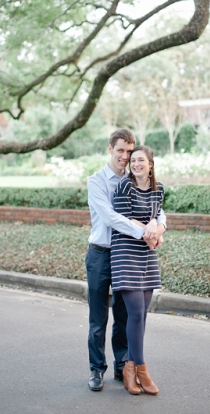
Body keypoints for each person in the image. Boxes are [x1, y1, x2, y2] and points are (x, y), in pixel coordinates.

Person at [85, 128, 166, 392]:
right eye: (120, 150)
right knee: (98, 319)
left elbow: (157, 209)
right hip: (101, 253)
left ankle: (123, 366)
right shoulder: (96, 181)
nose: (125, 156)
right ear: (110, 149)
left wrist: (158, 226)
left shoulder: (136, 179)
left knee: (125, 316)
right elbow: (110, 217)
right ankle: (97, 370)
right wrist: (146, 231)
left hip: (128, 253)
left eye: (129, 152)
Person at [111, 145, 164, 396]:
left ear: (150, 164)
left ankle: (129, 368)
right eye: (133, 160)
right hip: (125, 254)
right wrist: (151, 230)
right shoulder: (125, 187)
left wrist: (156, 225)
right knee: (134, 313)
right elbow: (124, 220)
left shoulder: (159, 190)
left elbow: (158, 217)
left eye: (141, 160)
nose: (135, 164)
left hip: (147, 255)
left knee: (142, 314)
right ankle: (142, 369)